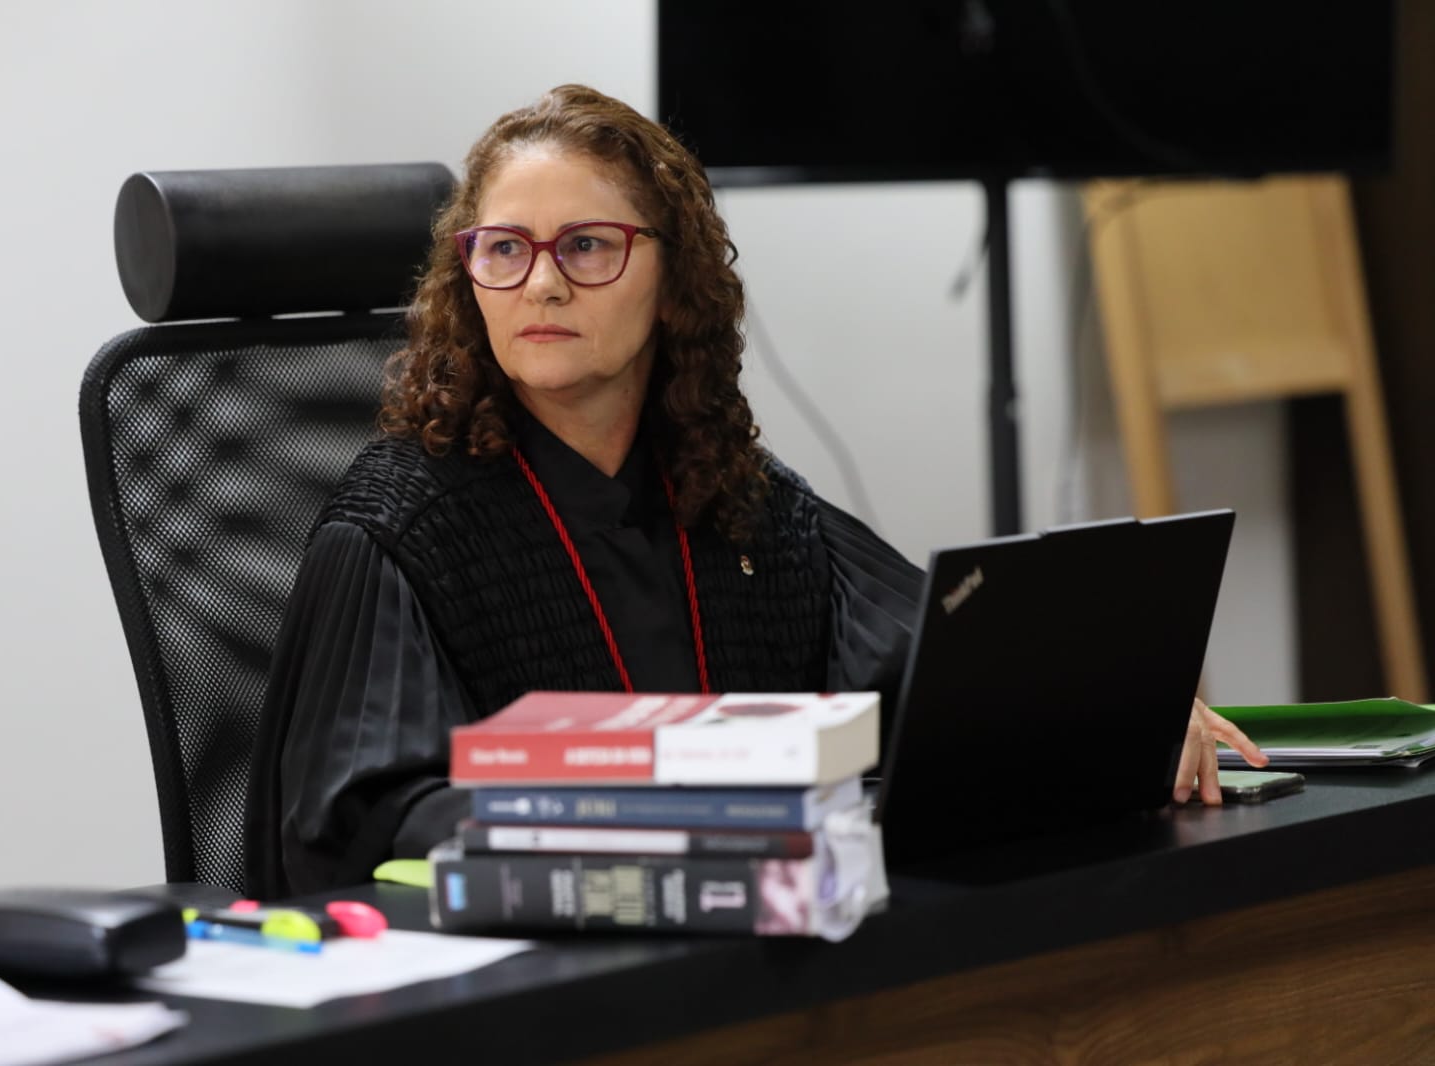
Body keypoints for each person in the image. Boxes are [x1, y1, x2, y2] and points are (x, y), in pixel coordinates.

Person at [242, 84, 1264, 898]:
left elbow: (937, 668)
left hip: (755, 959)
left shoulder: (736, 497)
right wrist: (633, 823)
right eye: (504, 250)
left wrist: (1110, 706)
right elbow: (356, 823)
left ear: (673, 279)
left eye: (586, 246)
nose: (541, 284)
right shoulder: (396, 526)